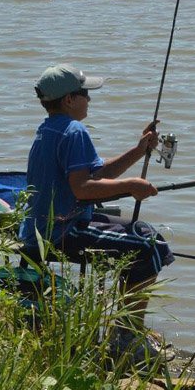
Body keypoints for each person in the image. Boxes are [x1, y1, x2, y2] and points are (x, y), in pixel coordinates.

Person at [17, 63, 173, 325]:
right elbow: (83, 188)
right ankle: (128, 331)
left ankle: (125, 323)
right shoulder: (74, 131)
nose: (89, 99)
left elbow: (97, 173)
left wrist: (138, 150)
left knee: (143, 231)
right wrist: (131, 185)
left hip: (41, 227)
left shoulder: (48, 129)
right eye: (85, 94)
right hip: (61, 231)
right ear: (69, 99)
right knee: (149, 248)